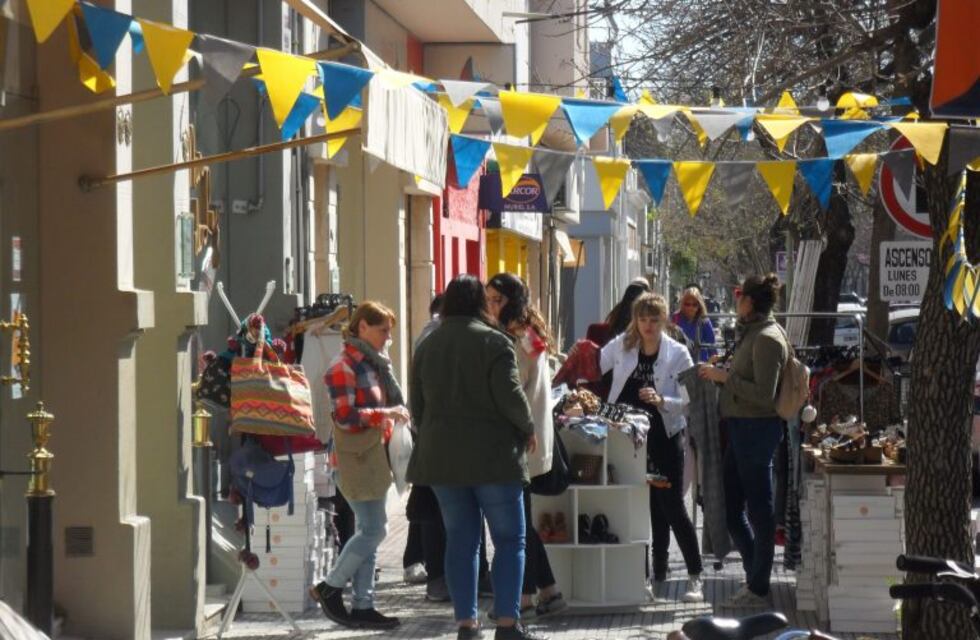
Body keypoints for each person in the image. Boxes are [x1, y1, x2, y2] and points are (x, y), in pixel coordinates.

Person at [409, 274, 545, 640]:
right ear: (480, 303)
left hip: (443, 460)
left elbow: (417, 406)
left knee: (461, 540)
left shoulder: (427, 344)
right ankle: (507, 624)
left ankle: (466, 625)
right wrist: (528, 428)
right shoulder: (495, 341)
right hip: (494, 458)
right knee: (509, 540)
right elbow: (511, 396)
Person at [600, 293, 704, 603]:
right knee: (638, 507)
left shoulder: (678, 353)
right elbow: (595, 363)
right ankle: (650, 576)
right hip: (627, 439)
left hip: (664, 436)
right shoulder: (622, 344)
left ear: (664, 320)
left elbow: (690, 399)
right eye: (642, 319)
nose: (647, 326)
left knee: (671, 506)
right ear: (635, 320)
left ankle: (694, 576)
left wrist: (662, 400)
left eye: (654, 320)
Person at [310, 301, 406, 630]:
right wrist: (386, 414)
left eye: (389, 332)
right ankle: (330, 586)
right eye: (383, 330)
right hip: (353, 460)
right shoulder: (344, 366)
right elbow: (345, 417)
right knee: (374, 530)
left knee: (370, 530)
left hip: (370, 457)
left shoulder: (372, 363)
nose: (387, 338)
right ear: (362, 327)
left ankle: (364, 604)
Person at [698, 274, 788, 609]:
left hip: (756, 429)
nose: (736, 301)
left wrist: (725, 378)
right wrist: (723, 372)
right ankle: (755, 576)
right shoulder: (752, 332)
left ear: (749, 301)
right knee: (730, 507)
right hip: (740, 428)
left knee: (759, 511)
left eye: (739, 296)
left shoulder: (766, 338)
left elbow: (765, 395)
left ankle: (759, 587)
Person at [487, 273, 567, 620]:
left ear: (512, 301)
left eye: (497, 300)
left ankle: (525, 596)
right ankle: (548, 591)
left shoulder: (517, 338)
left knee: (517, 524)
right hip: (530, 439)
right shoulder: (527, 332)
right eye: (488, 300)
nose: (491, 306)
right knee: (522, 521)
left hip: (521, 441)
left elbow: (513, 389)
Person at [403, 293, 446, 586]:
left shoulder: (429, 334)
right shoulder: (434, 336)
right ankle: (421, 564)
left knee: (425, 498)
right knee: (427, 500)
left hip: (426, 428)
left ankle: (414, 559)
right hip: (430, 430)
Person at [672, 287, 717, 363]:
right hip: (680, 363)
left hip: (700, 364)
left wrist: (712, 364)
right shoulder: (676, 318)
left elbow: (712, 346)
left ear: (699, 305)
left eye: (694, 305)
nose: (691, 307)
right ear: (683, 304)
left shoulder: (704, 321)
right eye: (687, 304)